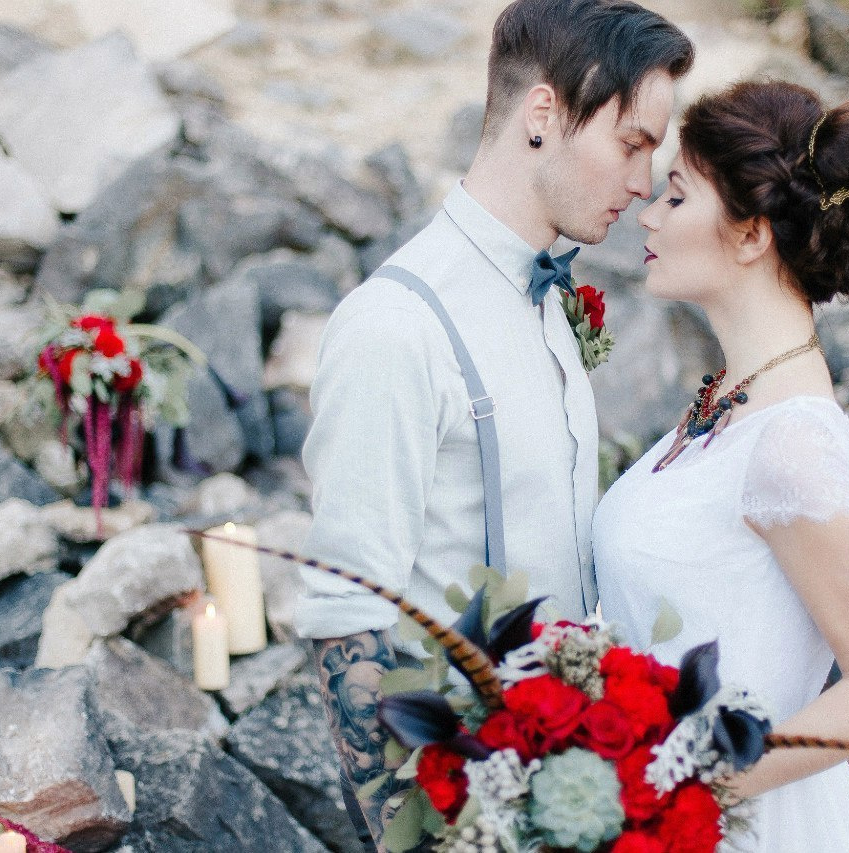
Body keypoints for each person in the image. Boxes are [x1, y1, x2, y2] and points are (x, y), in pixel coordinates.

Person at [294, 1, 694, 847]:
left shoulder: (549, 302)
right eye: (633, 143)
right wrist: (410, 836)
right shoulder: (395, 326)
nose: (644, 181)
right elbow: (347, 618)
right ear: (543, 115)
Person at [593, 80, 849, 851]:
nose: (647, 214)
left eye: (675, 196)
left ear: (750, 235)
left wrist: (689, 787)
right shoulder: (725, 402)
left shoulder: (793, 439)